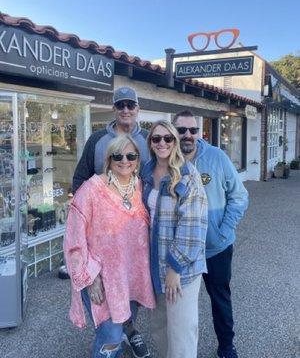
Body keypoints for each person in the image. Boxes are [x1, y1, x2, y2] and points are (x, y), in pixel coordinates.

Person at [60, 86, 151, 358]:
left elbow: (167, 169)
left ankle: (130, 331)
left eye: (130, 105)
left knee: (127, 309)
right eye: (120, 104)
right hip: (102, 260)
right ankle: (117, 337)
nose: (125, 109)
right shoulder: (97, 141)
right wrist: (90, 211)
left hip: (133, 260)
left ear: (137, 108)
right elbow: (79, 180)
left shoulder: (148, 141)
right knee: (109, 330)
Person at [173, 110, 249, 358]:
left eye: (192, 130)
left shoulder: (217, 157)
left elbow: (239, 197)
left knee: (220, 299)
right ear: (174, 132)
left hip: (216, 249)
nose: (187, 135)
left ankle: (226, 346)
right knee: (181, 305)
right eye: (181, 130)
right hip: (182, 253)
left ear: (199, 132)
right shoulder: (167, 160)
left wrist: (223, 231)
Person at [141, 120, 208, 358]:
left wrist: (175, 268)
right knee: (159, 329)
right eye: (156, 138)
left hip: (181, 271)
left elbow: (193, 225)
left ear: (175, 142)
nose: (162, 143)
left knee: (181, 334)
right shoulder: (146, 173)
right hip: (153, 267)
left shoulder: (188, 175)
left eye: (168, 138)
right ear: (150, 143)